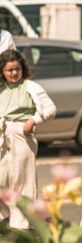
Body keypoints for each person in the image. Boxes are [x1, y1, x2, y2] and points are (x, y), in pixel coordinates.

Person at [0, 49, 56, 229]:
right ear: (2, 71)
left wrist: (33, 120)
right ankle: (5, 216)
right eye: (9, 70)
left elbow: (50, 108)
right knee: (3, 178)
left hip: (21, 135)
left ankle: (23, 223)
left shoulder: (31, 87)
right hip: (2, 136)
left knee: (21, 179)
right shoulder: (1, 88)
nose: (14, 73)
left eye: (17, 69)